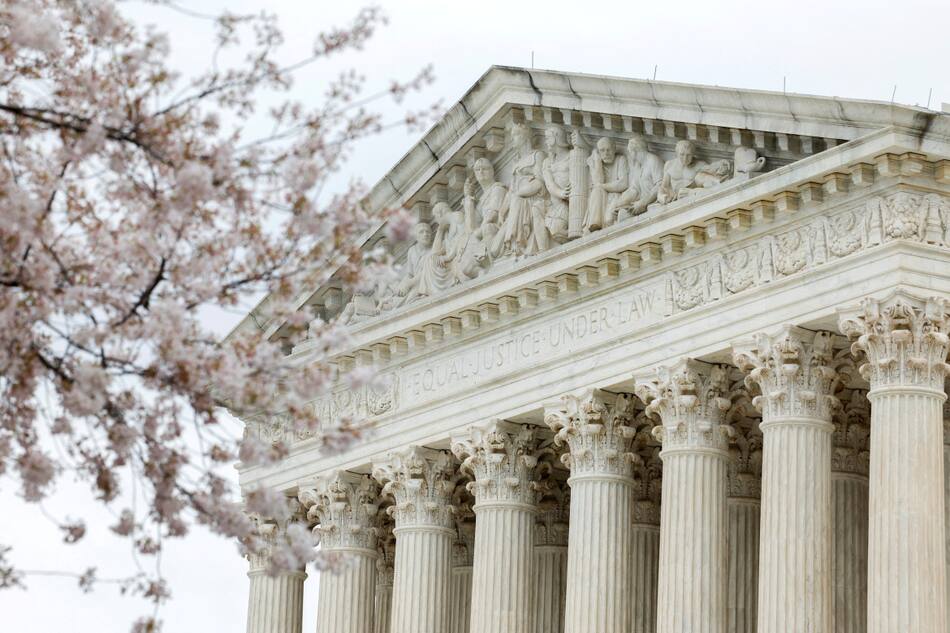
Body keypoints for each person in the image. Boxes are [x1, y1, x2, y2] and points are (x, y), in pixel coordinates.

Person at [657, 140, 731, 204]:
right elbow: (664, 186)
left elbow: (712, 168)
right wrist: (663, 197)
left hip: (693, 193)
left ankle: (719, 182)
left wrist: (721, 163)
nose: (685, 159)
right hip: (676, 198)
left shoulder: (699, 164)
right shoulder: (670, 165)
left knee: (700, 176)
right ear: (676, 153)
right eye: (682, 154)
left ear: (693, 155)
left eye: (688, 155)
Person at [613, 134, 664, 221]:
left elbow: (660, 185)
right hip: (640, 204)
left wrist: (643, 203)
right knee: (622, 215)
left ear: (635, 151)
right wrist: (620, 203)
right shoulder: (638, 166)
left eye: (630, 152)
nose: (630, 155)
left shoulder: (653, 160)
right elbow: (634, 189)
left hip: (653, 203)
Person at [584, 136, 629, 231]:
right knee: (597, 190)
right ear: (598, 152)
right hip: (600, 199)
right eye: (602, 151)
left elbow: (623, 184)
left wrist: (603, 186)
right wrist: (597, 161)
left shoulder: (621, 159)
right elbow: (598, 181)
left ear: (614, 149)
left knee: (598, 189)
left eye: (608, 150)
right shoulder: (596, 162)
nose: (606, 153)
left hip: (617, 196)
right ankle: (595, 223)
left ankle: (598, 221)